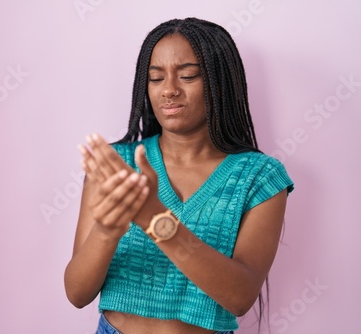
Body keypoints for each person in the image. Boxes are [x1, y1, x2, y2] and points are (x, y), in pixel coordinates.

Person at [64, 17, 294, 334]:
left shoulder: (259, 176)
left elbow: (239, 297)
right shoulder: (117, 165)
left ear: (220, 82)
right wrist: (109, 228)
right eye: (156, 79)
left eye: (187, 76)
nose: (170, 90)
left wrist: (155, 219)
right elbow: (77, 293)